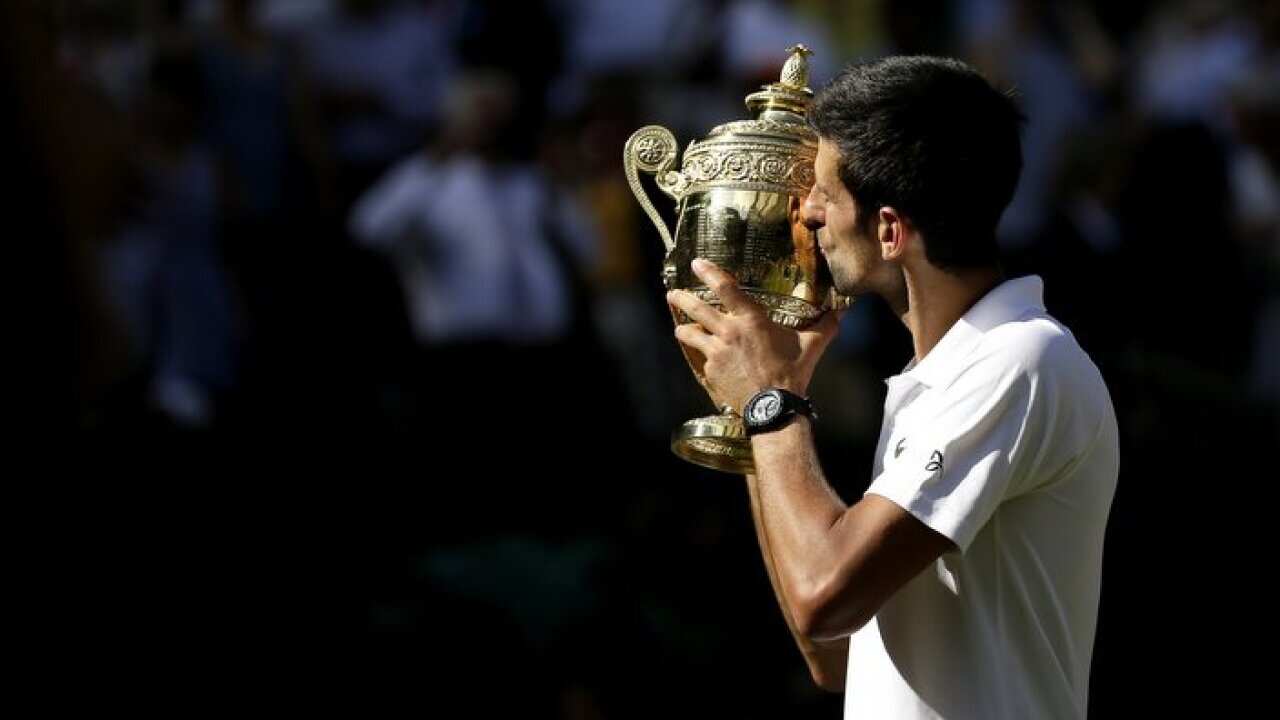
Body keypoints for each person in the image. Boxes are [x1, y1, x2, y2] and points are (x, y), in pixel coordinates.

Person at [666, 56, 1118, 718]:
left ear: (888, 229)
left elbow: (824, 591)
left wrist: (772, 406)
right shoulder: (942, 376)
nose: (807, 213)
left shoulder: (1019, 361)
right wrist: (754, 411)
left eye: (823, 191)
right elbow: (834, 651)